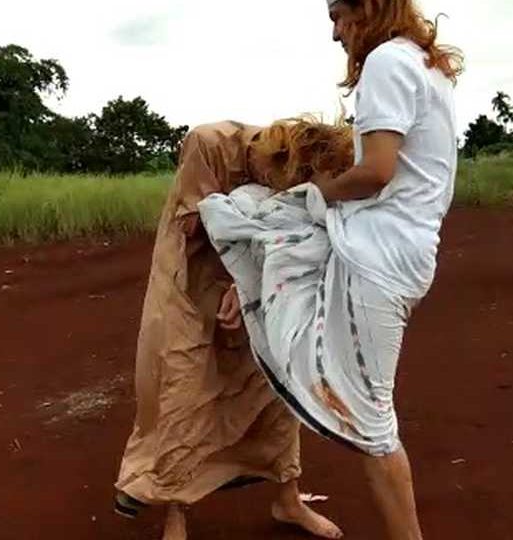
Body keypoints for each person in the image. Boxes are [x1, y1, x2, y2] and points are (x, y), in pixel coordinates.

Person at [198, 1, 462, 538]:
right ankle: (248, 291)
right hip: (391, 250)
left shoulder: (388, 60)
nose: (337, 33)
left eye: (340, 16)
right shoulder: (424, 64)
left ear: (370, 8)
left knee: (373, 424)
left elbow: (376, 173)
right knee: (260, 214)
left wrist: (317, 193)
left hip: (378, 256)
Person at [114, 118, 353, 540]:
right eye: (280, 180)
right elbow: (195, 225)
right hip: (189, 280)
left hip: (254, 277)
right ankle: (176, 516)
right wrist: (247, 249)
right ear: (272, 160)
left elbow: (290, 228)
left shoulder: (292, 164)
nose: (283, 189)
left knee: (274, 384)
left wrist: (249, 283)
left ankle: (288, 500)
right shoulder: (207, 144)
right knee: (185, 389)